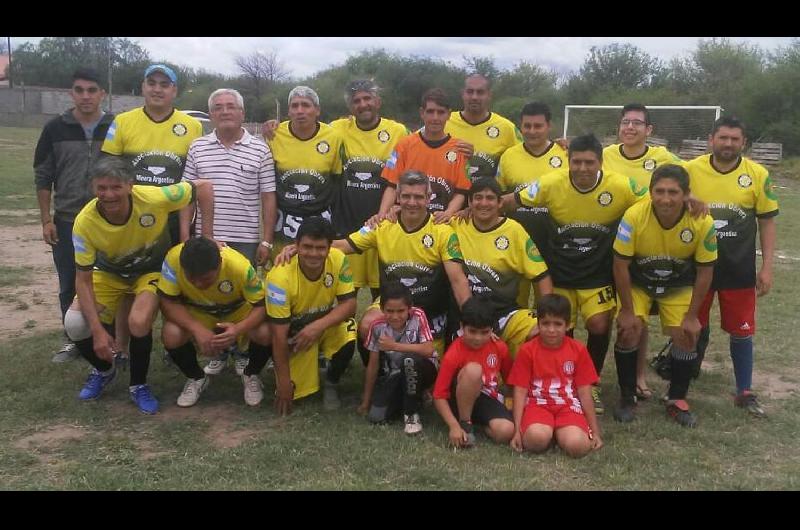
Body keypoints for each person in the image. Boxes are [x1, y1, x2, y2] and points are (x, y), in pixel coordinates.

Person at [507, 134, 648, 415]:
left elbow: (654, 199)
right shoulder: (550, 183)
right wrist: (469, 211)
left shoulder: (620, 186)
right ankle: (563, 382)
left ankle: (591, 382)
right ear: (568, 161)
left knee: (598, 325)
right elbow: (510, 200)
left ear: (600, 162)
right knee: (560, 331)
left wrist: (690, 199)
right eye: (577, 162)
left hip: (597, 274)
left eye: (589, 162)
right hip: (559, 273)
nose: (583, 168)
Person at [63, 157, 214, 414]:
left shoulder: (154, 197)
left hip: (149, 271)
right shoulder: (85, 222)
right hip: (109, 273)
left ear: (130, 186)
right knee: (75, 324)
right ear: (92, 188)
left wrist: (206, 237)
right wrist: (99, 331)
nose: (108, 195)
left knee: (139, 321)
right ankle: (104, 370)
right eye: (102, 188)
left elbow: (204, 187)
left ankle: (138, 385)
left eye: (116, 187)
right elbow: (83, 279)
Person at [684, 117, 779, 418]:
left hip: (738, 268)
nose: (728, 144)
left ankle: (745, 390)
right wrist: (687, 197)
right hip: (697, 266)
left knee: (742, 331)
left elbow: (766, 222)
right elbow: (666, 195)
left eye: (734, 139)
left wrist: (766, 268)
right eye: (722, 138)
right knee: (690, 326)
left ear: (744, 143)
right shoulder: (690, 170)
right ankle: (680, 386)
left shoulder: (757, 174)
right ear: (711, 139)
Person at [180, 88, 277, 377]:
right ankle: (219, 352)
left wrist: (266, 240)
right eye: (218, 107)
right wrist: (186, 238)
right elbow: (185, 195)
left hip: (244, 238)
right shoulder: (197, 147)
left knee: (241, 300)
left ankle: (242, 350)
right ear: (210, 115)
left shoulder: (260, 149)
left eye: (230, 106)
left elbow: (268, 196)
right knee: (212, 298)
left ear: (242, 113)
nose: (224, 111)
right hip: (205, 238)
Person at [612, 164, 717, 426]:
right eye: (659, 191)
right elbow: (620, 265)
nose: (666, 199)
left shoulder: (702, 220)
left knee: (688, 332)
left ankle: (676, 399)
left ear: (686, 194)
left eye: (673, 192)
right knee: (629, 328)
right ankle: (627, 397)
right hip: (638, 281)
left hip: (677, 283)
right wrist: (626, 310)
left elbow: (705, 271)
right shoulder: (634, 215)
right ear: (650, 192)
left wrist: (692, 316)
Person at [602, 103, 685, 400]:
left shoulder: (663, 158)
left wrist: (696, 198)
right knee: (615, 312)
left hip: (648, 245)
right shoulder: (606, 155)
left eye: (637, 123)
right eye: (625, 122)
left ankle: (637, 376)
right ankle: (605, 376)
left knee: (640, 316)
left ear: (648, 130)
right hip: (611, 241)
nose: (630, 128)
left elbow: (686, 180)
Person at [34, 67, 115, 362]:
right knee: (70, 281)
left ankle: (110, 337)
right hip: (67, 220)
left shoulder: (115, 126)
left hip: (108, 220)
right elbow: (43, 176)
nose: (85, 96)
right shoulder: (55, 127)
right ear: (71, 93)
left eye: (91, 90)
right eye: (79, 90)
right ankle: (73, 339)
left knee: (109, 280)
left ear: (101, 93)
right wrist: (46, 219)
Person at [157, 237, 272, 407]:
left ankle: (251, 374)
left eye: (205, 279)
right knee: (171, 333)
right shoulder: (173, 259)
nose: (197, 283)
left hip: (237, 312)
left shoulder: (239, 266)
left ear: (219, 264)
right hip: (199, 313)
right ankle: (196, 377)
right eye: (191, 278)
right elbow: (167, 302)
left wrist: (238, 329)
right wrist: (196, 329)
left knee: (265, 332)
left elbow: (261, 306)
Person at [101, 64, 203, 245]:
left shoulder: (193, 126)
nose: (157, 89)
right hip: (131, 215)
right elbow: (107, 171)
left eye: (164, 84)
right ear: (143, 87)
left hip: (174, 218)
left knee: (172, 271)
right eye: (152, 83)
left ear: (174, 90)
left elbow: (197, 174)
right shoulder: (122, 122)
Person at [266, 216, 357, 415]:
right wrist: (283, 383)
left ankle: (331, 382)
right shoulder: (279, 277)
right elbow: (278, 335)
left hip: (321, 326)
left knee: (349, 330)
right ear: (296, 245)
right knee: (297, 391)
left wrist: (318, 326)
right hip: (295, 334)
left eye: (320, 248)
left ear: (329, 247)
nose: (313, 254)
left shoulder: (339, 259)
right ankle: (288, 368)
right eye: (307, 247)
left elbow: (349, 305)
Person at [452, 177, 552, 357]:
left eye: (490, 198)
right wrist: (396, 211)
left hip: (505, 312)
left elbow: (541, 276)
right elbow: (425, 221)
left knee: (541, 331)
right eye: (478, 197)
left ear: (500, 203)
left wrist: (548, 317)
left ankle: (528, 379)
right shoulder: (456, 225)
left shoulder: (514, 231)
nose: (484, 203)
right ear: (469, 202)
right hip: (466, 315)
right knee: (473, 374)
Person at [329, 80, 410, 299]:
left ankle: (381, 334)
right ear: (350, 107)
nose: (363, 104)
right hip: (347, 226)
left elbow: (402, 175)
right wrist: (274, 128)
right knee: (346, 295)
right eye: (357, 101)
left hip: (382, 225)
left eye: (367, 99)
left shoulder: (397, 131)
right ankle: (349, 334)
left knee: (383, 294)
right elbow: (310, 133)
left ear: (378, 102)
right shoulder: (337, 128)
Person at [508, 294, 603, 458]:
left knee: (578, 447)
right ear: (538, 324)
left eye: (557, 324)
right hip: (537, 404)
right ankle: (547, 431)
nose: (551, 330)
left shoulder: (578, 350)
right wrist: (516, 431)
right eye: (545, 324)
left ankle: (561, 432)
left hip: (567, 405)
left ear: (567, 325)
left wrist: (595, 431)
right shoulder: (527, 350)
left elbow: (584, 392)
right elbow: (520, 390)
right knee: (534, 441)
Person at [267, 86, 344, 256]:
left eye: (306, 105)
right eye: (295, 106)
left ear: (317, 110)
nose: (300, 111)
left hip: (320, 218)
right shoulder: (274, 135)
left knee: (316, 270)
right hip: (284, 220)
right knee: (283, 268)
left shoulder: (334, 137)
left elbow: (336, 181)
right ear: (289, 111)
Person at [377, 88, 471, 225]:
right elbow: (391, 186)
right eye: (430, 112)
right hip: (406, 222)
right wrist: (382, 215)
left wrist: (448, 213)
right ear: (422, 113)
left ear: (449, 115)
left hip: (440, 224)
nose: (435, 118)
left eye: (441, 112)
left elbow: (461, 192)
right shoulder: (404, 145)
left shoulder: (459, 149)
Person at [433, 296, 515, 448]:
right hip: (458, 399)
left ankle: (477, 424)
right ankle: (464, 423)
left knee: (506, 432)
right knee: (474, 370)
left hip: (486, 397)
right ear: (462, 326)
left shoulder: (499, 347)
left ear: (492, 329)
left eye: (484, 332)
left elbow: (511, 381)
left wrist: (511, 401)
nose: (478, 338)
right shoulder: (454, 352)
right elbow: (439, 395)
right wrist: (453, 426)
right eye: (472, 331)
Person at [359, 282, 437, 435]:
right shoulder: (376, 327)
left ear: (409, 308)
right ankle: (413, 398)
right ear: (382, 309)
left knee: (409, 360)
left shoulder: (418, 316)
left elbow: (428, 350)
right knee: (376, 417)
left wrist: (393, 346)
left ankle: (411, 414)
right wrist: (366, 402)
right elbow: (373, 366)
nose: (395, 316)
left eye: (401, 311)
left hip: (424, 369)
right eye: (389, 311)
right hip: (396, 374)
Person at [497, 102, 567, 260]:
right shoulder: (508, 156)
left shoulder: (566, 154)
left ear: (549, 126)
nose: (532, 131)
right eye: (527, 126)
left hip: (556, 243)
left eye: (538, 126)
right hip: (516, 243)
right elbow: (498, 199)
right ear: (520, 126)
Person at [445, 73, 522, 180]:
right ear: (463, 94)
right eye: (470, 91)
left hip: (486, 195)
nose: (474, 97)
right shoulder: (444, 121)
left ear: (489, 95)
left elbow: (527, 155)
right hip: (450, 195)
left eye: (480, 92)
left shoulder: (506, 127)